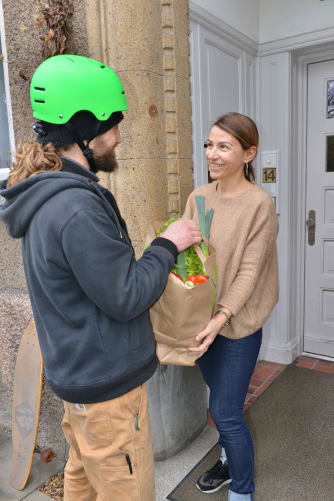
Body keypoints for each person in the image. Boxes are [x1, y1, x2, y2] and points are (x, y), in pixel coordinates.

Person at [0, 54, 202, 501]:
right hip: (108, 395)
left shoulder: (45, 193)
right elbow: (127, 295)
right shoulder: (76, 208)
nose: (118, 136)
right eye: (113, 124)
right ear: (83, 128)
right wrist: (167, 245)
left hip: (80, 383)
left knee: (83, 482)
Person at [183, 112, 279, 501]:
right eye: (209, 144)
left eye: (224, 146)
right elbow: (189, 257)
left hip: (237, 326)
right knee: (221, 397)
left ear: (248, 153)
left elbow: (250, 272)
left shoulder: (259, 203)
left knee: (224, 412)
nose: (212, 154)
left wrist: (221, 316)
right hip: (200, 322)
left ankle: (242, 491)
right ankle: (227, 461)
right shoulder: (198, 197)